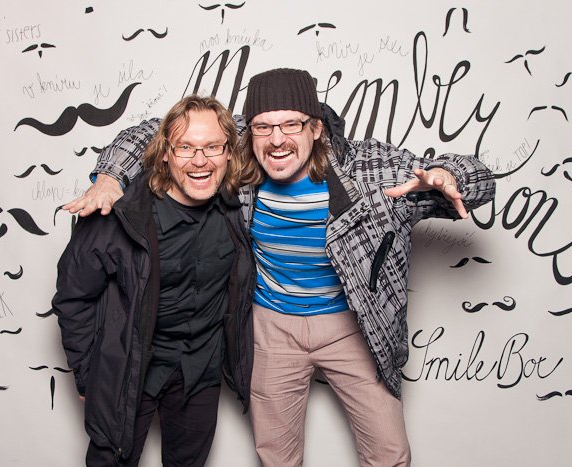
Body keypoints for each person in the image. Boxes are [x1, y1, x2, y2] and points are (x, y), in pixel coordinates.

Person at [65, 68, 496, 466]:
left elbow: (478, 179)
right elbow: (154, 133)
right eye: (264, 126)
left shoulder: (368, 170)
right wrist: (110, 177)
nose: (277, 139)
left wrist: (449, 173)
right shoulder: (235, 156)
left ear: (316, 128)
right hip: (272, 326)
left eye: (292, 124)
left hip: (349, 326)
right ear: (248, 130)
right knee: (276, 455)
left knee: (389, 452)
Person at [52, 95, 255, 467]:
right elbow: (73, 297)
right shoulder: (121, 215)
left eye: (212, 147)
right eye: (185, 147)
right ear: (164, 154)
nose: (200, 160)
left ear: (230, 153)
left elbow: (295, 123)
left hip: (200, 372)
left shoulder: (237, 207)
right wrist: (87, 373)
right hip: (130, 369)